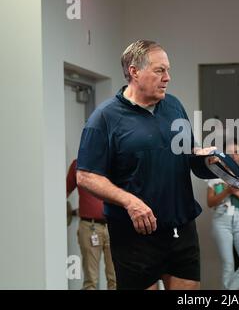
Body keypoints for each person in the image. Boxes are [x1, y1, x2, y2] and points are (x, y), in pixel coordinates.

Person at [76, 40, 215, 290]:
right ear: (134, 71)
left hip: (181, 226)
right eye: (160, 70)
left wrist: (204, 157)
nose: (168, 78)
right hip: (134, 234)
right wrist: (130, 202)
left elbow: (188, 153)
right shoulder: (104, 118)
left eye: (168, 70)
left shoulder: (174, 106)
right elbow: (86, 176)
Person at [206, 140, 239, 290]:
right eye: (229, 153)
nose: (233, 155)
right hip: (221, 219)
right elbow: (210, 202)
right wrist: (226, 191)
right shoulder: (215, 175)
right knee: (228, 265)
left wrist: (237, 192)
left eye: (236, 151)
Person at [66, 159, 116, 290]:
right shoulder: (78, 164)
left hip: (114, 227)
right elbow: (63, 192)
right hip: (90, 227)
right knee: (91, 281)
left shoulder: (114, 162)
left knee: (116, 279)